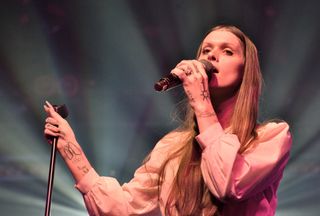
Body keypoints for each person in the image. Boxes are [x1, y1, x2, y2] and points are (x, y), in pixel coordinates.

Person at [44, 25, 292, 216]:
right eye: (206, 50)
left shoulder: (271, 138)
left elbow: (228, 184)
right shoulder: (172, 147)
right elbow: (124, 211)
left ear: (245, 72)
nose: (212, 56)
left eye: (227, 51)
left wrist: (202, 103)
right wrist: (69, 146)